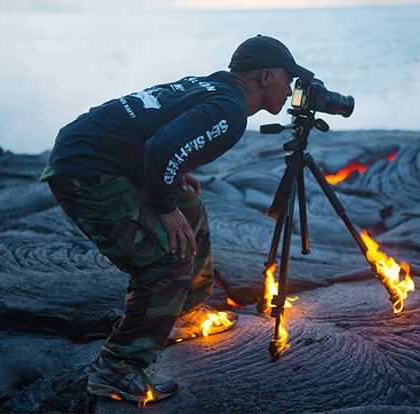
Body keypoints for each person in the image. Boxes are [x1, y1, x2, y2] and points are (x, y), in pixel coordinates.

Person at [39, 34, 314, 403]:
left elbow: (160, 130)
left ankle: (181, 314)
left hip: (94, 151)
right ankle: (116, 369)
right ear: (266, 76)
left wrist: (173, 176)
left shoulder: (214, 85)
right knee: (167, 259)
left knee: (190, 207)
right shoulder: (229, 110)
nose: (291, 85)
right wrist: (164, 208)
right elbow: (161, 147)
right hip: (85, 170)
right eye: (288, 76)